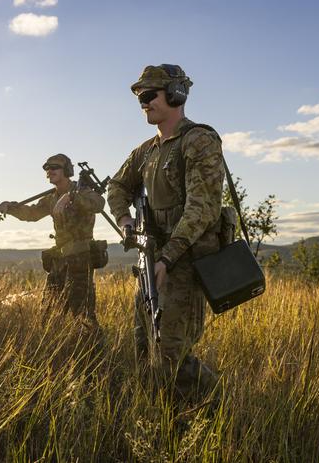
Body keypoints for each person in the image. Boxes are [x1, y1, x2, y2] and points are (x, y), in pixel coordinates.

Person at [107, 64, 223, 399]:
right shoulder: (146, 152)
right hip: (152, 261)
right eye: (139, 97)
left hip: (183, 264)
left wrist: (168, 260)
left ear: (176, 94)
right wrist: (125, 220)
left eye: (149, 94)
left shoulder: (199, 141)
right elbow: (117, 186)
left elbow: (202, 208)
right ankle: (162, 420)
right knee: (144, 349)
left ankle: (218, 410)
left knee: (172, 355)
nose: (143, 102)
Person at [0, 154, 105, 324]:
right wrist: (9, 207)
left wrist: (72, 197)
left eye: (55, 167)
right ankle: (56, 346)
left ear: (67, 170)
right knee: (48, 312)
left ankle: (96, 350)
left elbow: (98, 204)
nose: (49, 171)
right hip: (59, 259)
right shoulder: (51, 198)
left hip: (81, 259)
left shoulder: (82, 191)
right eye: (47, 168)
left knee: (83, 315)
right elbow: (31, 214)